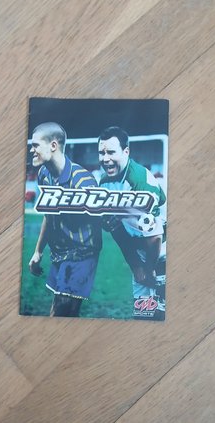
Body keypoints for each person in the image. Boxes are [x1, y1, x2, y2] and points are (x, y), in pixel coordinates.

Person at [29, 122, 101, 317]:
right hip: (59, 254)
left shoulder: (82, 181)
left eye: (35, 145)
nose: (31, 150)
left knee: (60, 312)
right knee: (64, 312)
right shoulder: (44, 174)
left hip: (81, 255)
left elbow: (104, 221)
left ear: (53, 145)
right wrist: (38, 251)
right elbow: (49, 215)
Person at [98, 126, 167, 318]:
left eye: (111, 152)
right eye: (101, 153)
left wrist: (149, 269)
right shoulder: (104, 184)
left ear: (126, 151)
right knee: (143, 315)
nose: (105, 158)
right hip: (141, 255)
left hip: (162, 253)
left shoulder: (140, 183)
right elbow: (115, 228)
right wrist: (136, 265)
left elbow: (154, 237)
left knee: (164, 315)